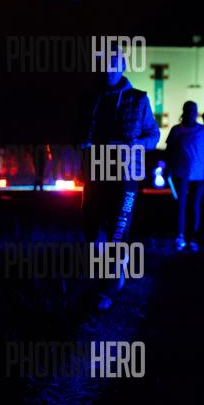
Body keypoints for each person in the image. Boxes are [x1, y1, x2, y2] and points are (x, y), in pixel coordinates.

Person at [81, 44, 160, 310]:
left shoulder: (138, 99)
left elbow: (153, 134)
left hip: (126, 174)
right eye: (104, 64)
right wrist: (83, 143)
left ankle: (110, 285)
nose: (108, 70)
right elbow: (82, 132)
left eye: (113, 64)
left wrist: (136, 144)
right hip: (96, 172)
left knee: (118, 229)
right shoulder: (93, 99)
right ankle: (104, 273)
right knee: (93, 227)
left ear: (123, 67)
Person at [166, 101, 204, 252]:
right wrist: (168, 167)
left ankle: (193, 237)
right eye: (189, 110)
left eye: (194, 110)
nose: (191, 113)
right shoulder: (176, 130)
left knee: (195, 206)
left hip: (200, 175)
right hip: (180, 173)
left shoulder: (203, 130)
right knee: (181, 206)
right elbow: (170, 150)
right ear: (184, 111)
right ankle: (180, 236)